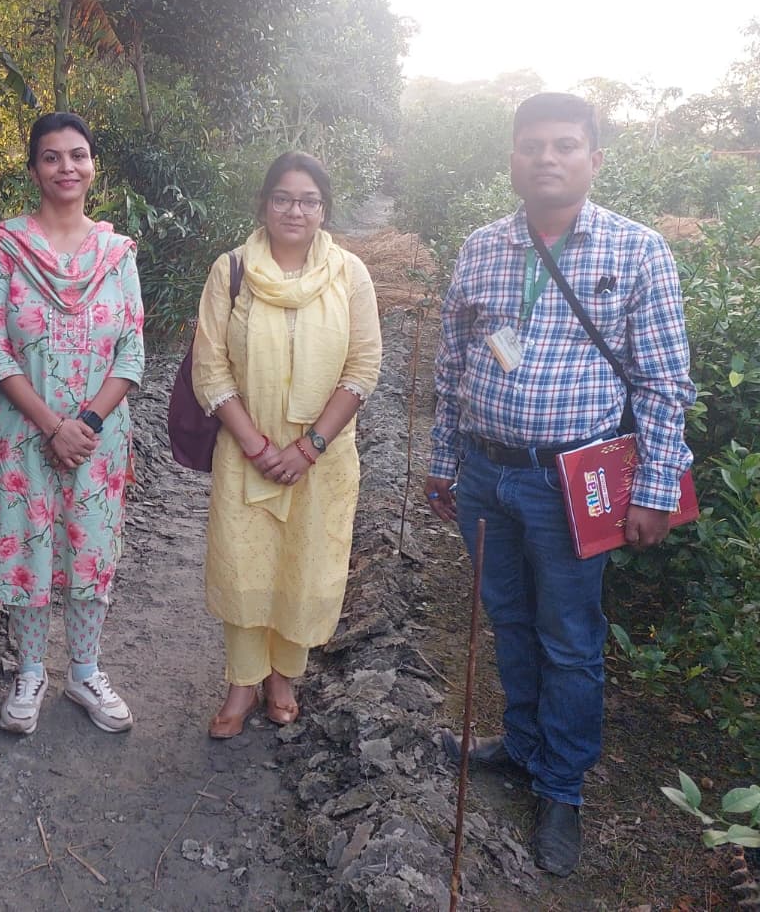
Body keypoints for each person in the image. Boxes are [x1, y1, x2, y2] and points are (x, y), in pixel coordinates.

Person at [425, 92, 694, 877]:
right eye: (533, 144)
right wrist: (445, 461)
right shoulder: (481, 248)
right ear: (512, 156)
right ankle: (520, 742)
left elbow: (664, 384)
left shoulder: (638, 251)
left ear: (594, 159)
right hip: (485, 474)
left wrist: (654, 485)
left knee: (570, 640)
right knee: (508, 617)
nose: (548, 157)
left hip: (573, 483)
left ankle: (562, 786)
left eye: (566, 145)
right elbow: (452, 366)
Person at [191, 152, 382, 739]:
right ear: (264, 203)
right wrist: (255, 445)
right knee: (245, 563)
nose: (294, 210)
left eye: (308, 201)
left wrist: (308, 447)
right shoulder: (232, 272)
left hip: (321, 460)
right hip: (247, 451)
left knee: (305, 566)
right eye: (282, 198)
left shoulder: (350, 274)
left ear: (323, 209)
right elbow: (211, 367)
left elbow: (363, 365)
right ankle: (242, 683)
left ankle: (284, 678)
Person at [0, 112, 145, 736]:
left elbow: (132, 352)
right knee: (28, 550)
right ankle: (31, 670)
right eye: (51, 156)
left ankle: (86, 670)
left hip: (98, 438)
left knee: (89, 548)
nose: (66, 167)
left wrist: (87, 420)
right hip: (22, 433)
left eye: (78, 154)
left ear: (92, 165)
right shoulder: (4, 251)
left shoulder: (116, 254)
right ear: (35, 168)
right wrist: (50, 424)